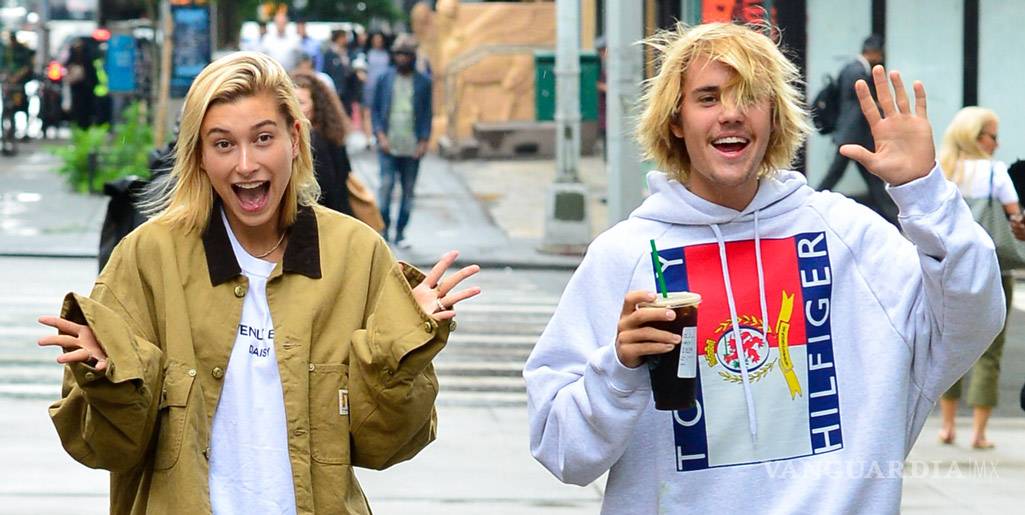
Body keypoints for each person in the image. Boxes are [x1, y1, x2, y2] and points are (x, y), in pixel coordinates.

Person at [523, 22, 1003, 514]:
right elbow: (562, 453)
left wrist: (924, 191)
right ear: (675, 120)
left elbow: (971, 318)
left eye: (750, 96)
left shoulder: (850, 235)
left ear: (774, 116)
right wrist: (619, 369)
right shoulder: (623, 256)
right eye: (708, 98)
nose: (731, 113)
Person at [38, 52, 481, 513]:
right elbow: (106, 450)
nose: (246, 164)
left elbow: (385, 446)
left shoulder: (357, 254)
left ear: (294, 139)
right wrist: (106, 379)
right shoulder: (148, 256)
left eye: (263, 138)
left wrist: (401, 345)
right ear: (199, 156)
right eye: (223, 144)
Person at [936, 106, 1024, 449]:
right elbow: (1014, 214)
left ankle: (947, 426)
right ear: (976, 137)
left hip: (952, 270)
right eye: (993, 136)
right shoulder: (994, 172)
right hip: (993, 269)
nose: (997, 144)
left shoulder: (943, 170)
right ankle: (979, 433)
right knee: (991, 350)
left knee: (949, 344)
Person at [816, 34, 897, 225]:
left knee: (872, 179)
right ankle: (810, 204)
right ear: (874, 53)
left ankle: (894, 219)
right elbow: (863, 103)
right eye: (880, 54)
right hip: (853, 135)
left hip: (853, 134)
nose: (881, 58)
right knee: (837, 175)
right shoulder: (857, 71)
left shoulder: (851, 68)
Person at [371, 35, 432, 248]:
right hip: (388, 145)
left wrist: (424, 141)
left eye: (406, 54)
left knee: (408, 191)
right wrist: (380, 135)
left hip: (412, 146)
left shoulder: (423, 82)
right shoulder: (384, 78)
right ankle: (384, 230)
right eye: (399, 54)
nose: (402, 58)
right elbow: (376, 110)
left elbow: (427, 113)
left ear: (413, 56)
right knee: (386, 187)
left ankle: (400, 233)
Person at [293, 70, 353, 216]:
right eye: (291, 102)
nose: (295, 109)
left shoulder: (317, 141)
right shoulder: (330, 132)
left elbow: (329, 190)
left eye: (301, 103)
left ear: (316, 105)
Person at [0, 31, 34, 138]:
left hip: (20, 83)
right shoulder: (6, 50)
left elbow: (27, 66)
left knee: (22, 105)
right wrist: (6, 76)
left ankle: (25, 132)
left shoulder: (22, 50)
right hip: (8, 82)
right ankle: (6, 129)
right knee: (6, 105)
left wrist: (17, 77)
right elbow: (3, 65)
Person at [323, 29, 353, 115]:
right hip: (335, 88)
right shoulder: (329, 54)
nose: (345, 40)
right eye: (343, 37)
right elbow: (327, 71)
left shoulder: (347, 52)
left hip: (346, 89)